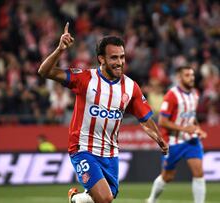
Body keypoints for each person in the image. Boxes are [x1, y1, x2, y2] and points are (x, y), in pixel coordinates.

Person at [38, 22, 168, 203]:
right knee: (105, 198)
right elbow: (44, 71)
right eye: (114, 58)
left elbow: (145, 119)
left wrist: (159, 139)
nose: (120, 62)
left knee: (106, 197)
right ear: (101, 59)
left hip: (110, 151)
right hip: (82, 148)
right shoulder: (84, 79)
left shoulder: (131, 87)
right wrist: (60, 50)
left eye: (122, 57)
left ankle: (75, 198)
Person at [146, 65, 207, 203]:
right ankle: (152, 199)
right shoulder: (171, 95)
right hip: (173, 142)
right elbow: (162, 121)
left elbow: (191, 116)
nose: (191, 78)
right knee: (168, 176)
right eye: (187, 75)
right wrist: (185, 129)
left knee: (199, 173)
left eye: (192, 75)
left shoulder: (195, 93)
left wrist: (198, 129)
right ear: (179, 78)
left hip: (191, 140)